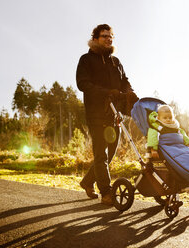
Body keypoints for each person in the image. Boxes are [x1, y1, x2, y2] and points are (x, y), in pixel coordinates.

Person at [76, 24, 138, 205]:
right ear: (95, 38)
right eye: (104, 36)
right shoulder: (86, 60)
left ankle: (87, 181)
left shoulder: (115, 62)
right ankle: (106, 192)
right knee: (101, 155)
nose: (109, 39)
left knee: (109, 155)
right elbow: (83, 84)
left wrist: (130, 93)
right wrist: (106, 93)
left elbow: (124, 82)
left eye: (111, 36)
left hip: (114, 113)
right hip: (96, 113)